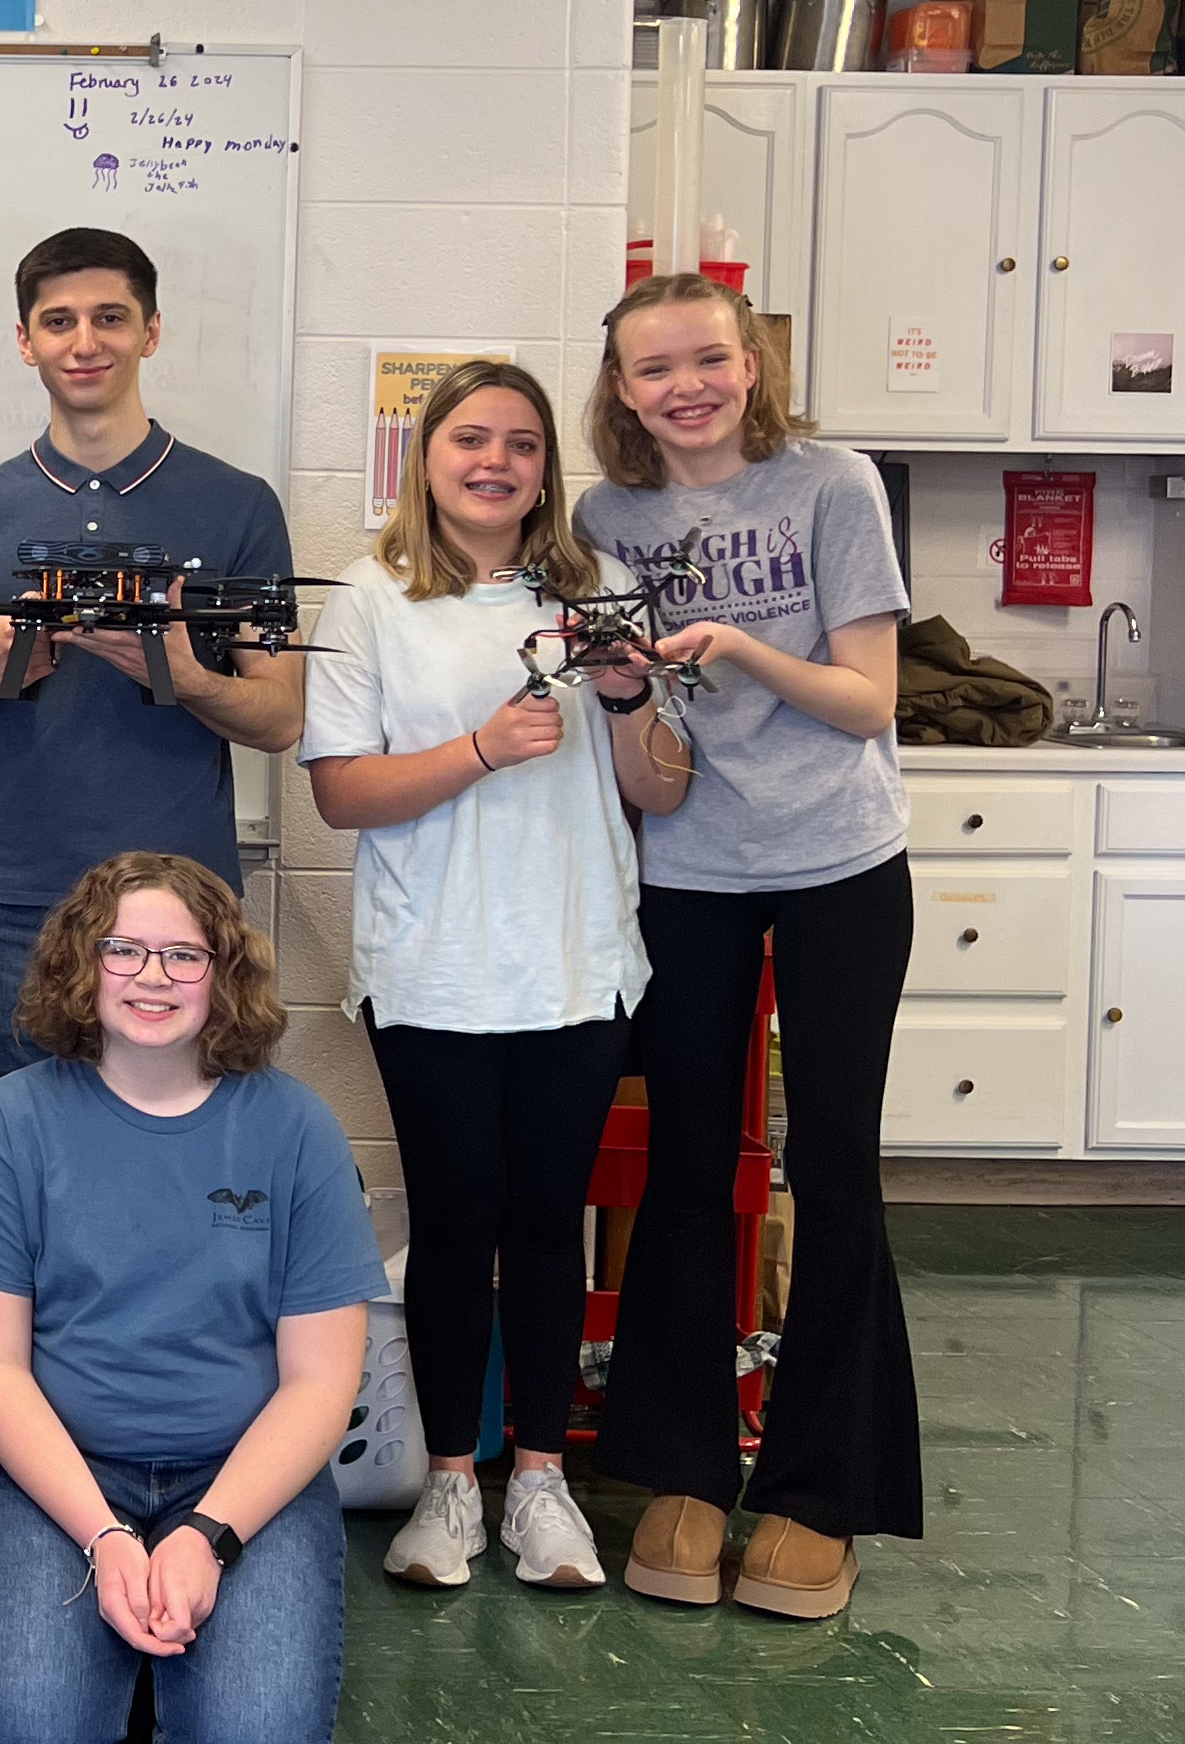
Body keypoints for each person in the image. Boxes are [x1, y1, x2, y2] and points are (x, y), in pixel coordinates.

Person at [300, 360, 693, 1591]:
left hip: (573, 960)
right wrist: (477, 748)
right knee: (456, 1219)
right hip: (432, 964)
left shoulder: (601, 593)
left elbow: (656, 788)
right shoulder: (372, 597)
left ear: (546, 467)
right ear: (427, 456)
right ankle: (451, 1484)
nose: (496, 462)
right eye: (472, 439)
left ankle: (542, 1480)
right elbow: (339, 788)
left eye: (521, 444)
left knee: (546, 1222)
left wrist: (630, 700)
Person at [580, 272, 917, 1621]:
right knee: (685, 1160)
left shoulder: (832, 486)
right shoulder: (604, 519)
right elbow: (647, 768)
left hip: (840, 858)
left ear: (749, 362)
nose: (685, 387)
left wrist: (737, 650)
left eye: (706, 359)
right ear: (619, 389)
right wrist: (630, 698)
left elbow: (867, 697)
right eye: (653, 369)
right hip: (690, 868)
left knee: (831, 1163)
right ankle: (678, 1471)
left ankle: (814, 1492)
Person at [0, 853, 382, 1744]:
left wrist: (208, 1536)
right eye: (124, 949)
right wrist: (103, 1535)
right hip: (62, 1472)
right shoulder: (10, 1123)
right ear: (80, 966)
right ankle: (129, 1646)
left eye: (185, 955)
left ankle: (162, 1644)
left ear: (224, 976)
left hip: (239, 1476)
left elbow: (317, 1383)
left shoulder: (299, 1131)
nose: (152, 976)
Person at [0, 227, 303, 1097]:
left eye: (110, 317)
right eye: (59, 320)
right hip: (17, 898)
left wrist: (186, 678)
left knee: (185, 1152)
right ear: (24, 339)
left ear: (151, 330)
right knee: (20, 1150)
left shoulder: (237, 505)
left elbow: (282, 717)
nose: (85, 342)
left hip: (187, 899)